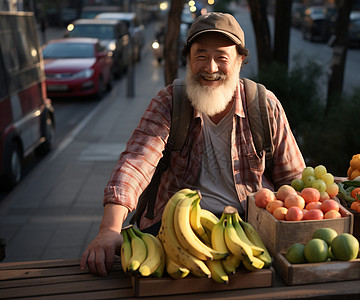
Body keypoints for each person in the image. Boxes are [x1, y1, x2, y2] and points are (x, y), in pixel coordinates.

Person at [80, 12, 306, 276]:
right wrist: (109, 230)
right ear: (188, 58)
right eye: (201, 56)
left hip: (249, 234)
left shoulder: (265, 106)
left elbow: (293, 180)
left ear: (240, 60)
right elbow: (135, 163)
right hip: (175, 233)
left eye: (222, 57)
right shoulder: (169, 103)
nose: (211, 68)